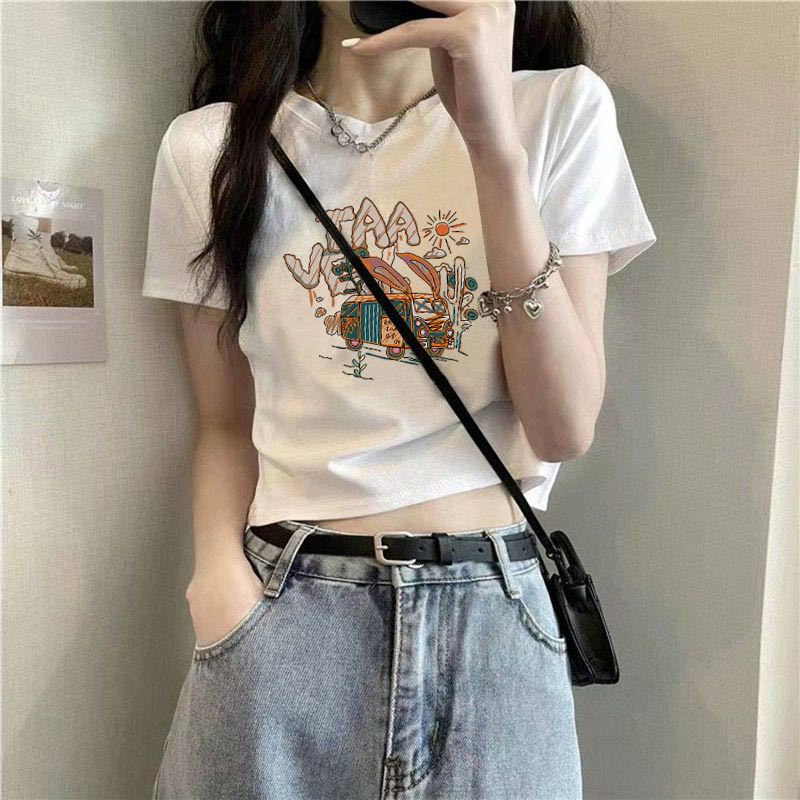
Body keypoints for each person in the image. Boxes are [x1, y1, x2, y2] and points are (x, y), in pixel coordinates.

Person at [142, 1, 657, 798]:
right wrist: (217, 586)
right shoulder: (211, 147)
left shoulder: (557, 108)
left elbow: (562, 426)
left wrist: (492, 146)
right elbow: (222, 421)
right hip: (285, 616)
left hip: (494, 623)